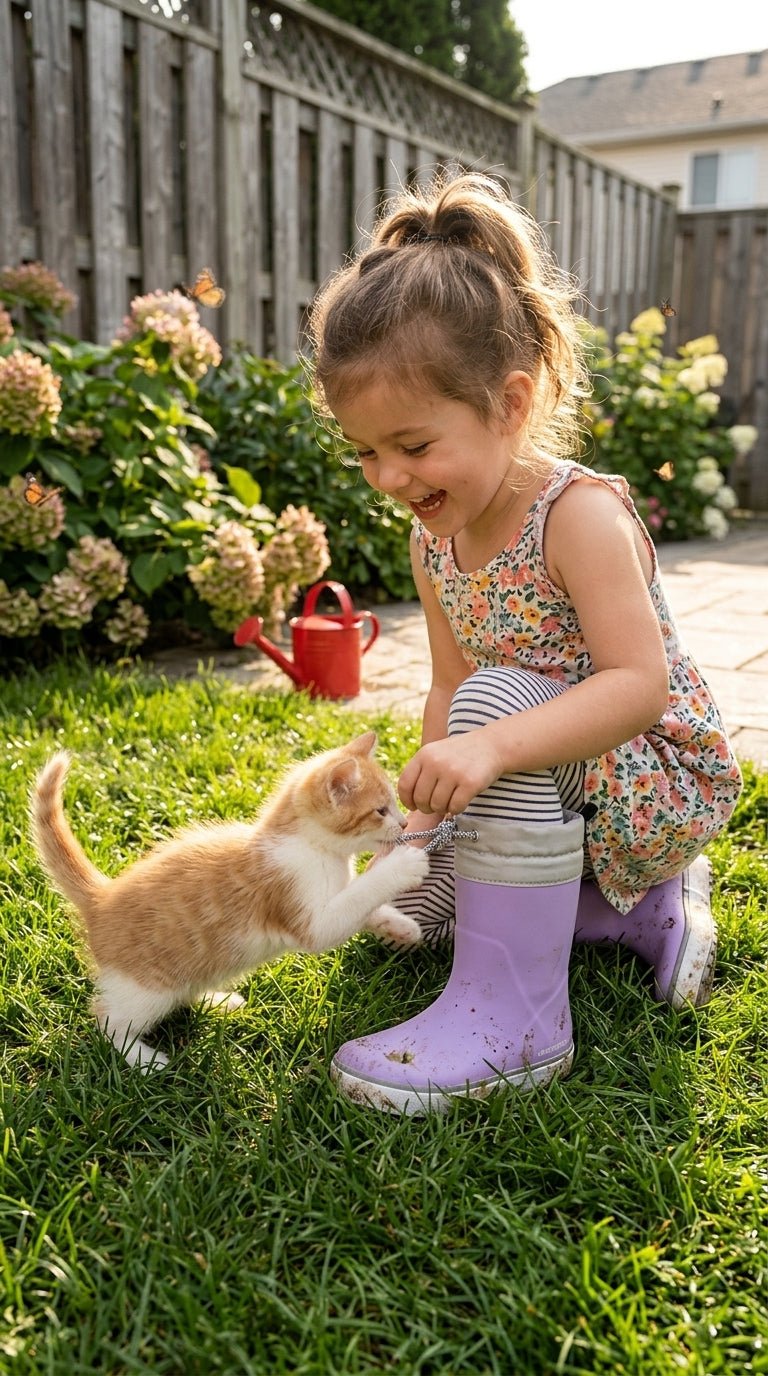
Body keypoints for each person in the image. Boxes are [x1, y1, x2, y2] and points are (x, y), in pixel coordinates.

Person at [306, 172, 743, 1115]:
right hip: (555, 780)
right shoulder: (434, 539)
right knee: (474, 722)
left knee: (495, 711)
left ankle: (518, 1020)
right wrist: (421, 828)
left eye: (414, 445)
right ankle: (637, 912)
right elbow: (446, 692)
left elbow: (638, 687)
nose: (388, 475)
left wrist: (490, 744)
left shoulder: (576, 516)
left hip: (652, 771)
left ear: (509, 403)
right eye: (365, 451)